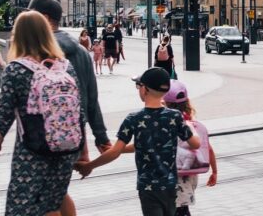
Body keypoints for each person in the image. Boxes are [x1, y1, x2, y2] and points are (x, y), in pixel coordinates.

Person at [0, 11, 86, 216]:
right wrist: (82, 151)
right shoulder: (65, 67)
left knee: (20, 209)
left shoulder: (16, 70)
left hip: (31, 153)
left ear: (19, 36)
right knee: (52, 207)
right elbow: (79, 113)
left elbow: (2, 120)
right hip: (65, 150)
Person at [28, 0, 113, 215]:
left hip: (47, 135)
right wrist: (101, 137)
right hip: (74, 135)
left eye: (30, 17)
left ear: (45, 19)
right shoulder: (82, 52)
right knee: (58, 191)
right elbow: (92, 98)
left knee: (47, 197)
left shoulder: (41, 52)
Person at [75, 67, 200, 216]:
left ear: (145, 89)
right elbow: (195, 144)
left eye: (138, 85)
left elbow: (114, 152)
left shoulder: (134, 119)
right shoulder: (175, 116)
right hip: (170, 186)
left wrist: (89, 166)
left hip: (148, 188)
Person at [162, 80, 217, 215]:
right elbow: (208, 149)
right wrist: (214, 171)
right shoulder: (191, 125)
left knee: (176, 211)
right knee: (182, 210)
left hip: (171, 178)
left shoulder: (164, 125)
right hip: (189, 177)